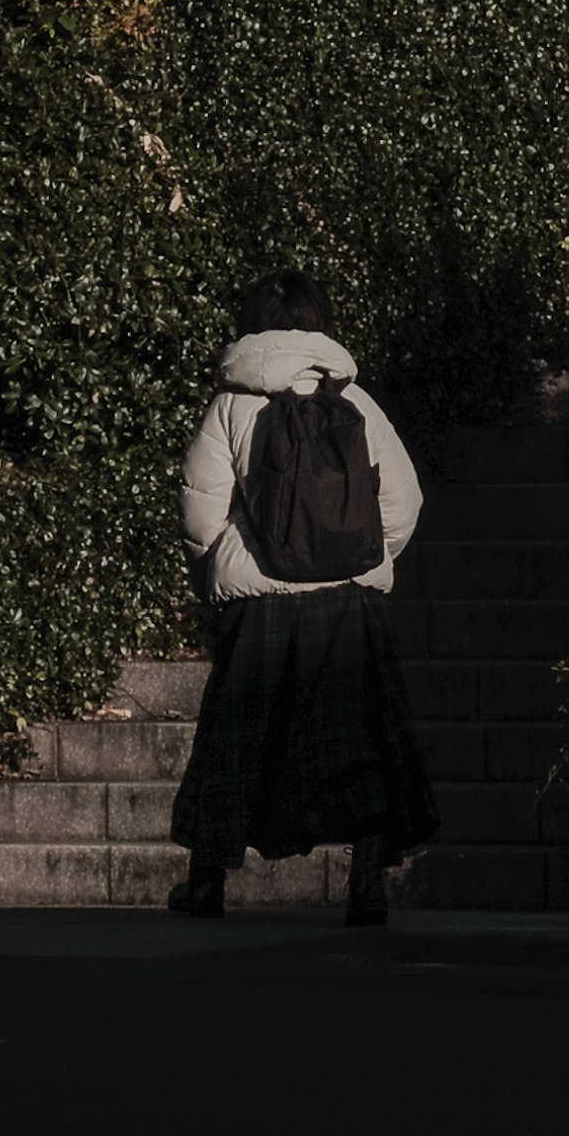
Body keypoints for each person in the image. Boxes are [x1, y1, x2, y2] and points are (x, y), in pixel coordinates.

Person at [169, 275, 436, 927]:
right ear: (319, 324)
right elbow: (403, 502)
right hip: (348, 607)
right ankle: (367, 880)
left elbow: (200, 516)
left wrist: (224, 571)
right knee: (360, 743)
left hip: (259, 607)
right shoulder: (358, 401)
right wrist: (360, 556)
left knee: (237, 744)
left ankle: (207, 882)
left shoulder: (230, 403)